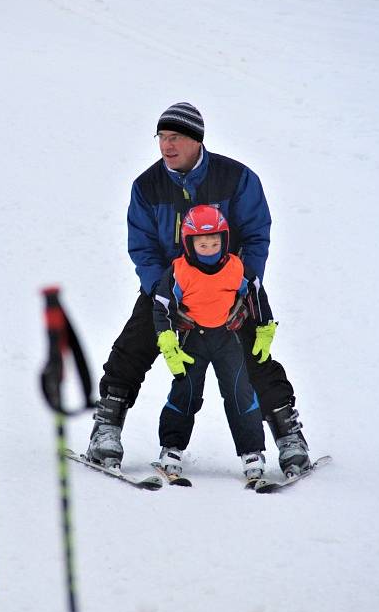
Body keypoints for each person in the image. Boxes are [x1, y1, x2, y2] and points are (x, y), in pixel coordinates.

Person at [86, 102, 310, 475]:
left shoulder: (236, 178)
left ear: (195, 140)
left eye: (175, 138)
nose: (166, 146)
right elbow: (142, 247)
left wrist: (243, 287)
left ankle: (289, 434)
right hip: (169, 290)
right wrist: (166, 294)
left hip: (228, 290)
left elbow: (256, 235)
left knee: (256, 355)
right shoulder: (146, 186)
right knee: (134, 346)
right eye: (162, 137)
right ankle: (106, 427)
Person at [153, 204, 266, 481]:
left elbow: (257, 295)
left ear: (224, 241)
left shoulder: (235, 267)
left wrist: (265, 329)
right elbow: (161, 306)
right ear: (190, 244)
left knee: (240, 393)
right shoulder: (179, 271)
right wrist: (168, 341)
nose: (209, 249)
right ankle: (172, 447)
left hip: (227, 339)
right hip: (193, 341)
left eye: (215, 243)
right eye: (202, 244)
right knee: (186, 392)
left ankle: (252, 451)